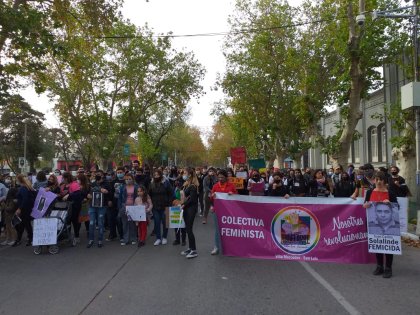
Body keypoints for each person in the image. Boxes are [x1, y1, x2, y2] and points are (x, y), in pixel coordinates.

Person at [363, 171, 398, 278]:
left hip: (389, 225)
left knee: (388, 246)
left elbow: (397, 208)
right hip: (373, 224)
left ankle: (388, 268)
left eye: (380, 179)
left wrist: (390, 204)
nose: (378, 182)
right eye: (376, 179)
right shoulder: (369, 192)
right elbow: (365, 204)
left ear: (384, 181)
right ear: (374, 180)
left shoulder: (390, 193)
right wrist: (366, 205)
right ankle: (379, 266)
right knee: (377, 245)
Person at [210, 169, 237, 255]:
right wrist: (212, 196)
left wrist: (232, 194)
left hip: (228, 212)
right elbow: (211, 198)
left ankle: (230, 247)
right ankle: (216, 247)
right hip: (217, 211)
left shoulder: (231, 186)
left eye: (222, 177)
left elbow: (237, 197)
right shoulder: (215, 186)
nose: (220, 179)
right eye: (219, 177)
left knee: (229, 229)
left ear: (226, 177)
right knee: (218, 229)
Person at [149, 169, 173, 246]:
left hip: (165, 206)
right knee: (156, 222)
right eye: (155, 175)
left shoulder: (166, 183)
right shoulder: (152, 183)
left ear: (161, 175)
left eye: (158, 175)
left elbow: (171, 194)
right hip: (155, 206)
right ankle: (158, 238)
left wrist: (169, 205)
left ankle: (164, 237)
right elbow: (149, 194)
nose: (156, 176)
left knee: (165, 222)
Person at [87, 171, 110, 248]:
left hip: (102, 206)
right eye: (96, 175)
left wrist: (105, 191)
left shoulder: (106, 184)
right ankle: (91, 239)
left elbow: (109, 193)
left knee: (100, 223)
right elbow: (87, 193)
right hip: (92, 206)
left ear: (103, 176)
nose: (97, 176)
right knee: (91, 223)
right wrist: (88, 195)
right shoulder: (92, 184)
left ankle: (100, 240)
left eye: (99, 175)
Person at [180, 167, 199, 259]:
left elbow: (192, 199)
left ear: (190, 174)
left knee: (189, 229)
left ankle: (194, 250)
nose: (183, 174)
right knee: (187, 229)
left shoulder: (193, 186)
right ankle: (190, 247)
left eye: (185, 173)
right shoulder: (187, 185)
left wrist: (184, 204)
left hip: (191, 209)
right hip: (187, 208)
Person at [14, 174, 36, 246]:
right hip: (27, 209)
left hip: (24, 209)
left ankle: (28, 239)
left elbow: (25, 199)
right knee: (24, 225)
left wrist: (19, 208)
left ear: (19, 180)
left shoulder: (23, 188)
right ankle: (23, 239)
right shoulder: (27, 187)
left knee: (25, 224)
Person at [118, 173, 139, 246]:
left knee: (132, 224)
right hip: (124, 207)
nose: (128, 180)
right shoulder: (122, 187)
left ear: (133, 179)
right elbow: (120, 198)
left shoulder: (136, 187)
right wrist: (120, 207)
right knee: (125, 224)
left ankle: (133, 238)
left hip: (133, 207)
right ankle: (126, 239)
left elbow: (138, 197)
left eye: (129, 179)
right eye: (126, 179)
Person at [0, 180, 18, 246]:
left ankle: (13, 239)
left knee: (11, 228)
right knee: (7, 228)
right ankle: (8, 239)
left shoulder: (12, 201)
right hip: (7, 216)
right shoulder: (10, 200)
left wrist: (4, 206)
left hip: (10, 216)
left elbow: (10, 209)